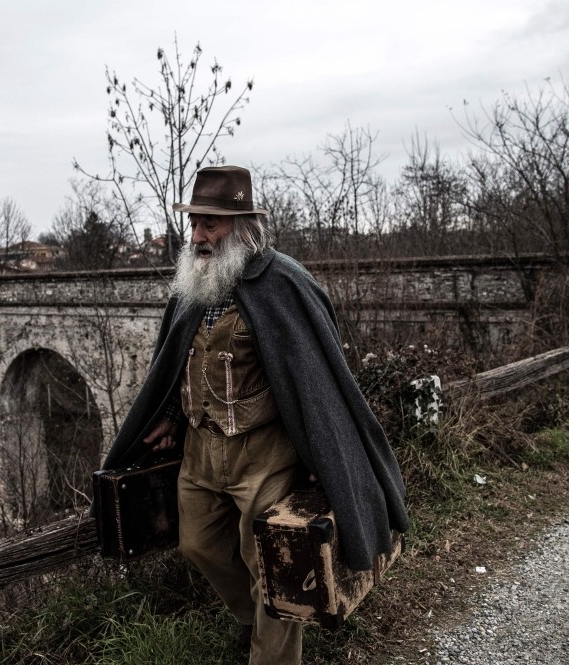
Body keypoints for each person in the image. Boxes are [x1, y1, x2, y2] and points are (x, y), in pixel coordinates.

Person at [99, 165, 408, 665]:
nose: (199, 236)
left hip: (263, 453)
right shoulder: (191, 287)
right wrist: (173, 420)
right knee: (197, 545)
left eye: (211, 225)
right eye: (195, 223)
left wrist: (317, 451)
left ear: (241, 226)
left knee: (271, 566)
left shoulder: (283, 284)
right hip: (201, 452)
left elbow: (313, 379)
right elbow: (178, 364)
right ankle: (255, 620)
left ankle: (271, 653)